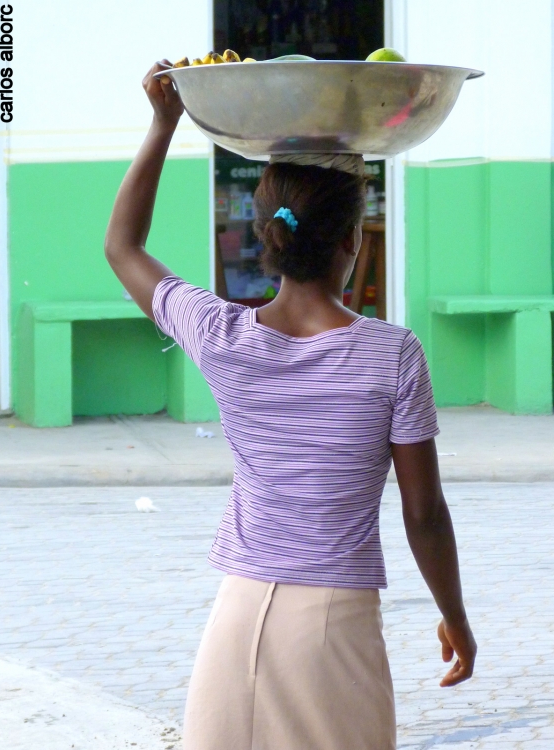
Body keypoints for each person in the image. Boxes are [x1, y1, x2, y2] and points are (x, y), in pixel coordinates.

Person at [105, 61, 477, 750]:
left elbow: (121, 246)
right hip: (332, 625)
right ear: (349, 241)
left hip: (236, 617)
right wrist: (454, 614)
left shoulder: (219, 334)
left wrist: (162, 125)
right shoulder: (391, 354)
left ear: (266, 237)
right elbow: (422, 513)